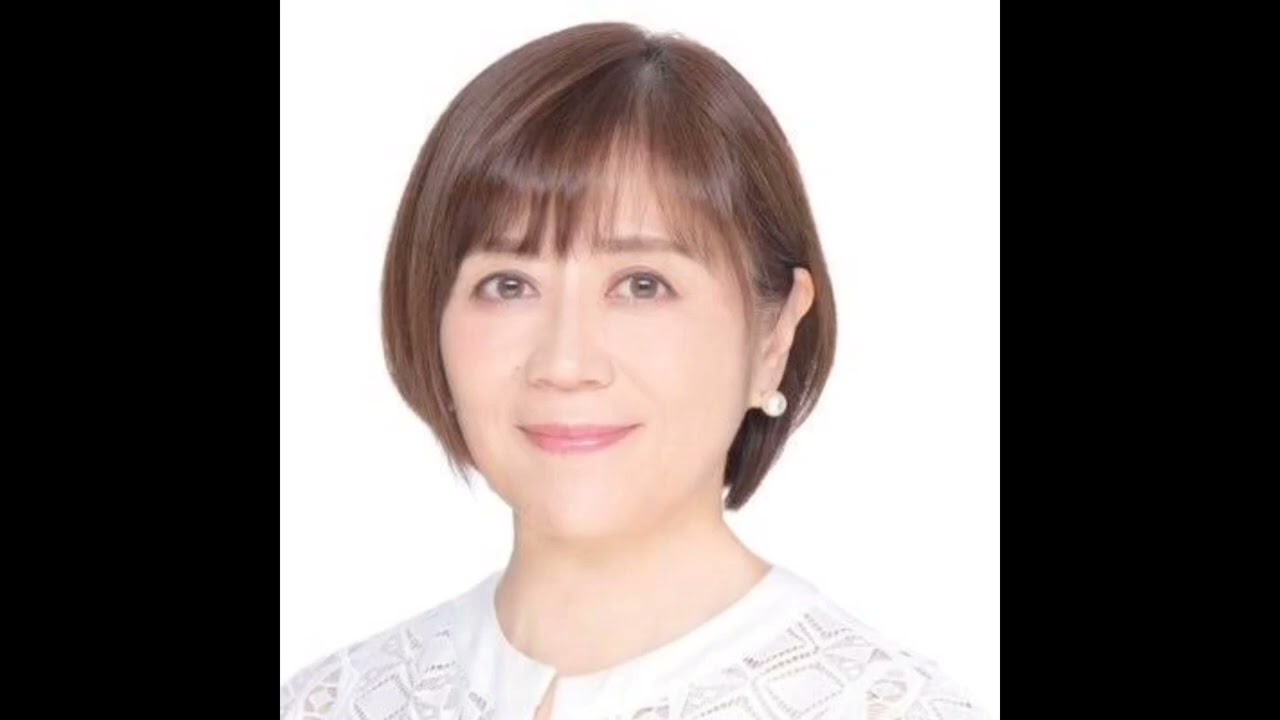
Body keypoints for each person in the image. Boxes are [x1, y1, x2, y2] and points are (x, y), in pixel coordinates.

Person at [281, 21, 990, 720]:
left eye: (643, 285)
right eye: (509, 284)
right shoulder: (332, 702)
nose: (565, 363)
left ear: (774, 334)